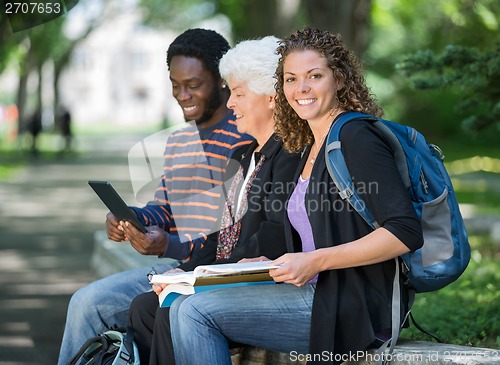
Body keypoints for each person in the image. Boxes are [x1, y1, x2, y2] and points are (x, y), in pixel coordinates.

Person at [169, 27, 424, 365]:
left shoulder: (356, 136)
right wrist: (269, 263)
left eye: (314, 76)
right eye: (291, 78)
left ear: (340, 80)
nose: (301, 89)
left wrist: (316, 260)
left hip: (353, 305)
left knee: (196, 311)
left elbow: (404, 231)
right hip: (314, 292)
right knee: (180, 302)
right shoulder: (310, 144)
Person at [57, 28, 253, 364]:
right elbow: (164, 207)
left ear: (222, 81)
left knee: (92, 305)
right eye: (175, 85)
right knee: (85, 301)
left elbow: (225, 236)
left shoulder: (245, 136)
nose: (182, 95)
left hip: (211, 272)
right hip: (177, 267)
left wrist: (167, 245)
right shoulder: (181, 142)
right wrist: (131, 219)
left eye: (193, 85)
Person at [127, 36, 301, 364]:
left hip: (260, 279)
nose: (230, 103)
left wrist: (201, 276)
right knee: (148, 305)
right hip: (227, 271)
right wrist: (187, 271)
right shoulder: (244, 154)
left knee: (171, 305)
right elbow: (223, 234)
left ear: (271, 99)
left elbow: (272, 238)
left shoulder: (291, 154)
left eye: (238, 93)